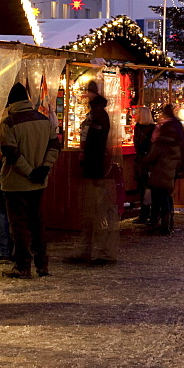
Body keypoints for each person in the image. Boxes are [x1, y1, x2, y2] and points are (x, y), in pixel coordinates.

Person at [0, 82, 62, 279]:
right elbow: (54, 147)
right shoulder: (44, 121)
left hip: (16, 182)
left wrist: (28, 172)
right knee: (36, 223)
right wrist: (43, 169)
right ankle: (42, 265)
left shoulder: (8, 123)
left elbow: (10, 152)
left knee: (19, 225)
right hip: (38, 182)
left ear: (10, 101)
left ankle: (22, 266)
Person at [71, 80, 119, 265]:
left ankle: (99, 251)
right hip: (95, 167)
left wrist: (87, 159)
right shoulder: (97, 114)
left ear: (93, 94)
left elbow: (95, 142)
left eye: (87, 92)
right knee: (93, 211)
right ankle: (91, 250)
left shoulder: (98, 115)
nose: (85, 95)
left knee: (96, 211)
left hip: (95, 169)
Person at [142, 104, 184, 236]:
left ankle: (159, 223)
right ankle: (166, 223)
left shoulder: (162, 139)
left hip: (160, 170)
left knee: (158, 196)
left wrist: (144, 162)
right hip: (170, 169)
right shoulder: (176, 135)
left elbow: (153, 155)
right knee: (166, 195)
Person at [132, 107, 156, 225]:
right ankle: (144, 214)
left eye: (137, 113)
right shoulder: (138, 127)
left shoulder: (151, 129)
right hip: (140, 161)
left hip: (146, 162)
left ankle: (148, 214)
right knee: (142, 188)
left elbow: (151, 147)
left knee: (147, 189)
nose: (135, 115)